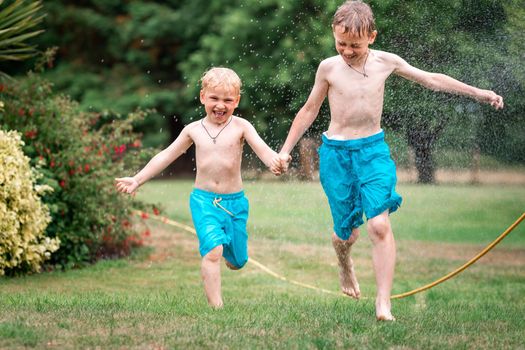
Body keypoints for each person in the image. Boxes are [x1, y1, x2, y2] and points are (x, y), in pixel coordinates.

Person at [276, 0, 504, 321]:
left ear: (372, 36)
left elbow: (432, 79)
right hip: (336, 155)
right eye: (341, 43)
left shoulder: (386, 62)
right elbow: (309, 110)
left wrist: (478, 93)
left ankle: (383, 304)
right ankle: (345, 266)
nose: (347, 50)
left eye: (354, 45)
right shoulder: (328, 68)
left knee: (379, 225)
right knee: (346, 235)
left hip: (373, 152)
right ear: (334, 34)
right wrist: (286, 150)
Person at [116, 67, 282, 308]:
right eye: (214, 98)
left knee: (238, 261)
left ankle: (231, 254)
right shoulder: (193, 130)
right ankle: (217, 307)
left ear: (237, 101)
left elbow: (264, 151)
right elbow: (166, 155)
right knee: (213, 251)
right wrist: (137, 179)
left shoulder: (241, 127)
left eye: (227, 100)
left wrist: (275, 163)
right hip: (204, 202)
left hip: (234, 203)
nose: (220, 105)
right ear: (203, 96)